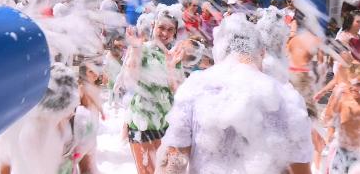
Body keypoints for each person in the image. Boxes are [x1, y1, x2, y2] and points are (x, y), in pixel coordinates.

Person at [156, 14, 313, 174]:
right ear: (262, 52)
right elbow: (301, 170)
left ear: (220, 50)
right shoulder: (286, 97)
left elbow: (173, 162)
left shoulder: (194, 88)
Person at [123, 10, 184, 174]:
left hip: (165, 122)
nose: (165, 33)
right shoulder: (141, 48)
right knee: (148, 172)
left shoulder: (173, 55)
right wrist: (135, 50)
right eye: (161, 27)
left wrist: (171, 68)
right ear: (153, 26)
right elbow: (130, 80)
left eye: (170, 29)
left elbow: (177, 91)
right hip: (142, 121)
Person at [323, 38, 360, 174]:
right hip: (341, 150)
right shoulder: (344, 99)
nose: (355, 88)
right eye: (353, 84)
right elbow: (330, 119)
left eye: (359, 84)